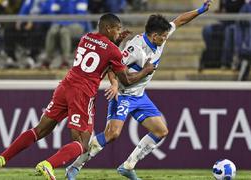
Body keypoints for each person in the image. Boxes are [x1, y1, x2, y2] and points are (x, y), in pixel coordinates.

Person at [0, 13, 155, 180]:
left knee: (39, 130)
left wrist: (117, 41)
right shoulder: (113, 51)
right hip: (82, 93)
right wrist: (146, 70)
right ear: (108, 28)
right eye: (117, 30)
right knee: (83, 143)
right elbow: (127, 79)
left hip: (65, 86)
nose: (119, 33)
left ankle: (2, 158)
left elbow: (103, 52)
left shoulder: (85, 38)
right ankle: (48, 165)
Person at [65, 1, 212, 180]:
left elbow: (179, 21)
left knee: (161, 131)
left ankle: (128, 166)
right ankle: (75, 167)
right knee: (112, 134)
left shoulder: (160, 37)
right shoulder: (135, 48)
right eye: (164, 37)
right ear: (155, 35)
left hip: (140, 96)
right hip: (124, 95)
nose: (166, 39)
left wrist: (200, 10)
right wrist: (114, 85)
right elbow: (113, 67)